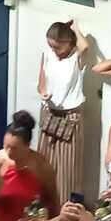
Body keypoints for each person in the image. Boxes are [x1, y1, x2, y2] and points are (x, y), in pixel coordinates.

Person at [37, 20, 88, 203]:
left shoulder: (76, 58)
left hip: (70, 115)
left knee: (67, 168)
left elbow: (85, 46)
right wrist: (43, 92)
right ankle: (43, 207)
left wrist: (74, 27)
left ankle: (64, 210)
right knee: (44, 163)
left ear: (69, 43)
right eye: (51, 46)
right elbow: (41, 81)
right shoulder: (47, 54)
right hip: (49, 112)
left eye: (58, 47)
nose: (54, 51)